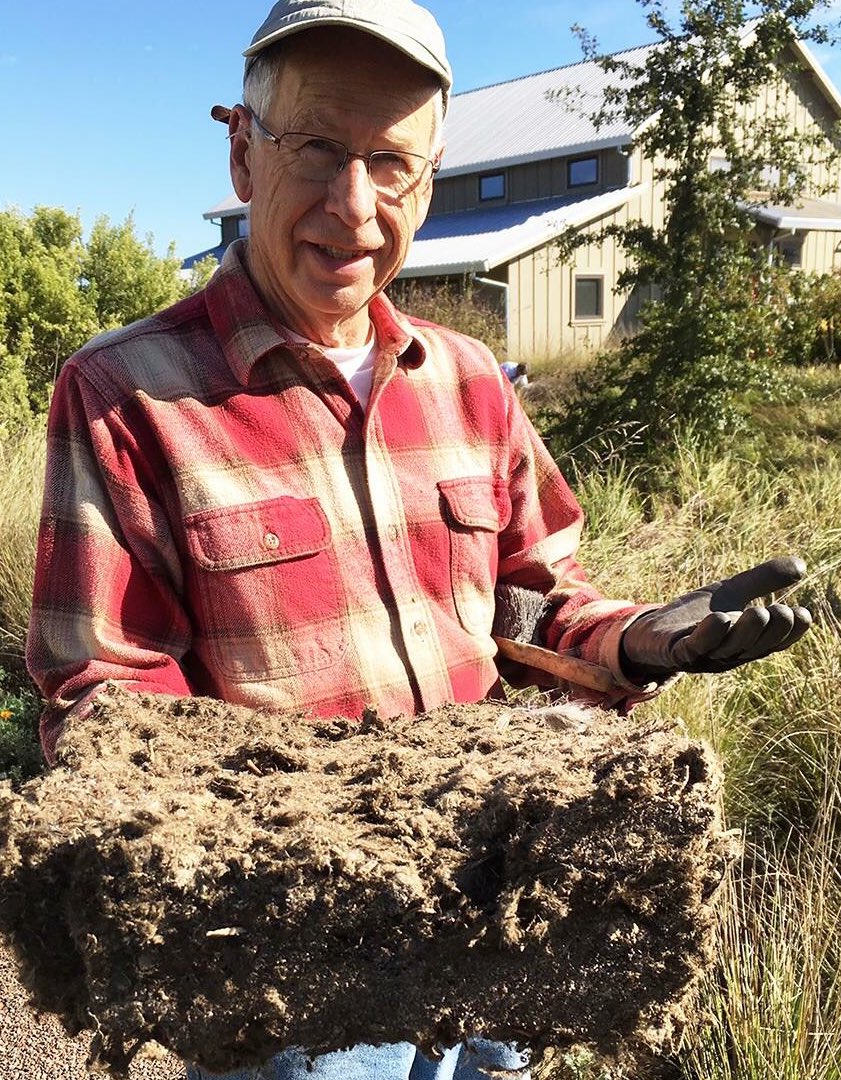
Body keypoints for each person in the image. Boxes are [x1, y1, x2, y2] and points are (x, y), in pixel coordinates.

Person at [26, 1, 812, 1078]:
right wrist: (318, 847)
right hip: (304, 979)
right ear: (242, 155)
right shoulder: (127, 396)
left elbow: (528, 605)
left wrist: (639, 642)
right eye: (315, 148)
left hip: (501, 920)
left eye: (391, 164)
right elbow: (109, 707)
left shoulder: (469, 382)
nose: (354, 206)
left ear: (427, 183)